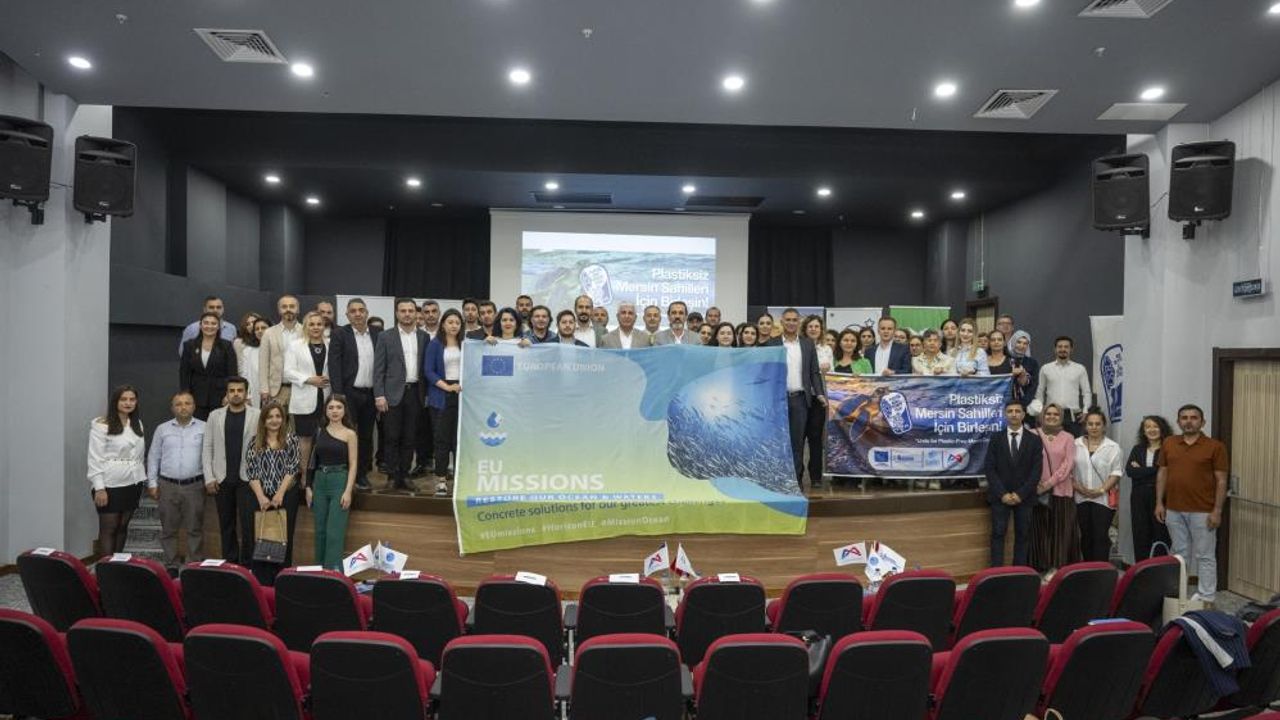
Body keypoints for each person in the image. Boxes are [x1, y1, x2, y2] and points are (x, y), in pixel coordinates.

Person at [1156, 404, 1229, 603]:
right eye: (1184, 418)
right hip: (1173, 509)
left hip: (1203, 511)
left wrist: (1217, 510)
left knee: (1205, 555)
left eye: (1194, 418)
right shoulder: (1169, 443)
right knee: (1179, 554)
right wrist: (1159, 503)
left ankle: (1207, 597)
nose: (1189, 421)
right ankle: (1179, 594)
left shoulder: (1215, 447)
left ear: (1202, 422)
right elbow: (1162, 473)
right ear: (1178, 422)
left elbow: (1222, 480)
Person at [763, 308, 827, 488]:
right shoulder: (771, 344)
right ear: (782, 322)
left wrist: (820, 393)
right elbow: (766, 372)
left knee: (797, 442)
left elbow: (814, 372)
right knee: (777, 441)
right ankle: (777, 478)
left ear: (799, 322)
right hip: (777, 400)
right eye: (788, 319)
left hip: (799, 400)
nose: (791, 323)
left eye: (794, 320)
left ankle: (795, 481)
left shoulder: (808, 344)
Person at [147, 392, 208, 573]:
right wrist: (152, 482)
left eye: (187, 403)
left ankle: (192, 565)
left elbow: (210, 455)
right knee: (168, 529)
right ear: (172, 408)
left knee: (194, 528)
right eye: (178, 404)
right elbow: (153, 456)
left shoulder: (204, 428)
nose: (183, 407)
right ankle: (172, 564)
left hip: (195, 485)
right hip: (167, 485)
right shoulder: (162, 429)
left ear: (194, 406)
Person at [202, 376, 259, 565]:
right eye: (232, 390)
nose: (236, 394)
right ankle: (231, 564)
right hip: (221, 479)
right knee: (226, 525)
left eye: (240, 390)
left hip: (248, 480)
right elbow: (207, 447)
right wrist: (209, 477)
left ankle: (248, 566)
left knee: (248, 526)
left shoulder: (257, 415)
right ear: (226, 393)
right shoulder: (214, 416)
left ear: (246, 393)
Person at [374, 298, 429, 491]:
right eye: (403, 311)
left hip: (415, 393)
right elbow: (378, 368)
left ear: (416, 313)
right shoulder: (385, 336)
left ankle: (405, 475)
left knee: (410, 437)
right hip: (391, 395)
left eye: (410, 311)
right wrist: (379, 395)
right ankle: (392, 476)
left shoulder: (424, 337)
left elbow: (425, 369)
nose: (407, 314)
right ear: (397, 313)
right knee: (391, 437)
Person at [244, 402, 301, 585]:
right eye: (270, 417)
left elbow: (293, 468)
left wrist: (279, 494)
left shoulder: (291, 439)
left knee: (284, 538)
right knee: (261, 538)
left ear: (283, 419)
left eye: (278, 416)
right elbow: (251, 472)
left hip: (286, 496)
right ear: (263, 420)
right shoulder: (255, 441)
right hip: (260, 497)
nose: (274, 420)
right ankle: (262, 582)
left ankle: (282, 580)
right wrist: (261, 497)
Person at [327, 298, 380, 491]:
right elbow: (334, 365)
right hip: (348, 393)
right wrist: (338, 395)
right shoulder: (340, 334)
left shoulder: (378, 333)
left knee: (366, 436)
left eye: (361, 310)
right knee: (347, 434)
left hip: (371, 393)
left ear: (367, 313)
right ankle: (345, 473)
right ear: (347, 315)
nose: (357, 314)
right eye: (353, 311)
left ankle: (361, 474)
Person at [88, 385, 147, 555]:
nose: (128, 403)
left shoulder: (137, 424)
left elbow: (138, 455)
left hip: (133, 483)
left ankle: (117, 564)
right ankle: (105, 567)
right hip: (110, 484)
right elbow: (94, 458)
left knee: (122, 526)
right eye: (123, 399)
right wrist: (99, 488)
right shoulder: (101, 425)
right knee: (110, 528)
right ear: (115, 401)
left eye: (132, 399)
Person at [984, 399, 1043, 566]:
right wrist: (1002, 494)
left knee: (1023, 535)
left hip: (1025, 497)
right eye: (1010, 411)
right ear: (1005, 414)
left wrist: (1020, 494)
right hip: (1000, 497)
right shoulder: (996, 438)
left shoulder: (1034, 440)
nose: (1014, 414)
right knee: (998, 534)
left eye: (1017, 411)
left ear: (1023, 415)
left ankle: (1019, 573)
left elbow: (1036, 471)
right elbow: (989, 468)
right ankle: (996, 572)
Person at [1028, 404, 1080, 572]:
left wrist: (1048, 484)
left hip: (1061, 491)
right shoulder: (1032, 434)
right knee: (1040, 532)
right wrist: (1035, 484)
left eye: (1056, 414)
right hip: (1037, 492)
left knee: (1061, 532)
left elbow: (1068, 464)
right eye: (1048, 413)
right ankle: (1040, 567)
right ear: (1042, 416)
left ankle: (1058, 568)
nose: (1052, 416)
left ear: (1061, 417)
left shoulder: (1068, 437)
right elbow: (1026, 461)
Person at [307, 395, 357, 571]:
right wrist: (308, 487)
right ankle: (318, 571)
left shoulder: (350, 434)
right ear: (326, 411)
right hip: (320, 481)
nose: (335, 411)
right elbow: (311, 461)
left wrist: (348, 491)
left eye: (338, 407)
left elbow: (353, 464)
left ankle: (333, 573)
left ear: (344, 410)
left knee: (334, 532)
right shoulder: (319, 432)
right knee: (320, 531)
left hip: (339, 481)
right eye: (331, 407)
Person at [285, 311, 330, 485]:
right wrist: (309, 379)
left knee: (325, 437)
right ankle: (304, 476)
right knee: (305, 438)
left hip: (326, 397)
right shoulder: (295, 345)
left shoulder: (331, 344)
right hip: (304, 399)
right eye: (311, 324)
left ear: (324, 326)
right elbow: (288, 372)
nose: (316, 327)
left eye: (319, 324)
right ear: (305, 327)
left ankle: (321, 474)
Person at [1073, 409, 1123, 562]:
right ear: (1085, 426)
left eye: (1097, 424)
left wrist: (1100, 490)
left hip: (1103, 500)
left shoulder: (1113, 447)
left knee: (1100, 536)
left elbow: (1116, 473)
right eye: (1090, 424)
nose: (1094, 427)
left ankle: (1101, 570)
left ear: (1104, 426)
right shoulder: (1075, 444)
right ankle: (1088, 569)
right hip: (1080, 498)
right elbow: (1069, 471)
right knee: (1086, 536)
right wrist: (1080, 489)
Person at [426, 309, 465, 494]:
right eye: (450, 322)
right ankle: (441, 479)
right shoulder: (435, 344)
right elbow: (428, 371)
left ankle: (458, 478)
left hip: (462, 395)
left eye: (457, 322)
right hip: (441, 394)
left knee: (459, 440)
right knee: (442, 439)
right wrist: (447, 387)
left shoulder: (466, 344)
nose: (454, 326)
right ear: (443, 324)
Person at [1128, 415, 1174, 560]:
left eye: (1155, 426)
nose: (1151, 430)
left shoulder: (1169, 449)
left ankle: (1159, 569)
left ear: (1162, 429)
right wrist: (1156, 469)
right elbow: (1130, 472)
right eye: (1147, 427)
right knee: (1140, 533)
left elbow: (1167, 472)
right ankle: (1142, 569)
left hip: (1161, 496)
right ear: (1143, 430)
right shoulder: (1138, 449)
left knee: (1161, 533)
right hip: (1138, 496)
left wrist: (1142, 470)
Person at [179, 311, 239, 420]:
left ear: (218, 326)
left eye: (213, 323)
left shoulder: (226, 346)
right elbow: (184, 373)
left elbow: (232, 373)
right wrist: (185, 395)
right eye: (206, 323)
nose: (209, 326)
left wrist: (228, 395)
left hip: (220, 397)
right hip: (196, 396)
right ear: (200, 325)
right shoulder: (189, 345)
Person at [1034, 336, 1091, 436]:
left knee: (1073, 444)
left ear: (1071, 349)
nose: (1063, 349)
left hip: (1073, 416)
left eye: (1066, 347)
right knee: (1050, 443)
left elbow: (1086, 392)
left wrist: (1085, 410)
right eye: (1060, 346)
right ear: (1055, 349)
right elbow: (1040, 390)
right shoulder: (1046, 368)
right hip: (1051, 415)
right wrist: (1040, 410)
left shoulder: (1080, 368)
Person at [259, 294, 303, 407]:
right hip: (276, 391)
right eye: (284, 306)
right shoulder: (269, 333)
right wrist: (264, 389)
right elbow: (263, 364)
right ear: (279, 310)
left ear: (298, 310)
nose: (288, 309)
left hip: (301, 389)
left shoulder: (306, 331)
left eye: (292, 306)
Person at [238, 316, 270, 408]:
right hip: (255, 394)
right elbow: (244, 375)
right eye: (257, 329)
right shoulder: (248, 351)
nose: (260, 331)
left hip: (275, 393)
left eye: (263, 328)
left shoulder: (278, 348)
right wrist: (247, 396)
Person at [1008, 330, 1040, 418]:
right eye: (1019, 342)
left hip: (1025, 407)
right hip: (1006, 406)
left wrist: (1023, 404)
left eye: (1025, 343)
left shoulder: (1032, 362)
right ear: (1013, 342)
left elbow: (1034, 385)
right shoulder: (1005, 359)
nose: (1021, 346)